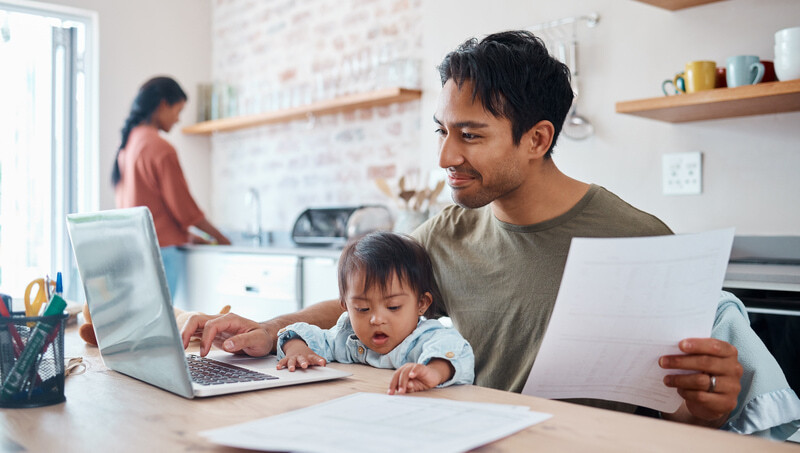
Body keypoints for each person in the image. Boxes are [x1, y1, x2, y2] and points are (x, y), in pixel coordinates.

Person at [180, 32, 800, 439]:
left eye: (471, 135)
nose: (446, 154)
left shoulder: (638, 241)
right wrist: (268, 328)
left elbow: (686, 417)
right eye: (441, 131)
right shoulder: (446, 232)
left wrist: (708, 408)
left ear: (537, 139)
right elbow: (364, 300)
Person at [275, 231, 474, 394]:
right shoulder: (348, 338)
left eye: (393, 307)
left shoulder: (426, 338)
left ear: (421, 303)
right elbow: (301, 334)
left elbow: (454, 351)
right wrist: (297, 350)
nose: (376, 319)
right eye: (362, 309)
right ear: (346, 306)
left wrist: (432, 372)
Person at [113, 76, 231, 298]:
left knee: (147, 326)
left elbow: (149, 206)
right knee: (166, 325)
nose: (178, 120)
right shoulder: (160, 148)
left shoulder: (128, 145)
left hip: (134, 250)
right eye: (178, 110)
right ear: (163, 105)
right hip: (162, 253)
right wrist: (222, 239)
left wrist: (186, 235)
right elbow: (185, 210)